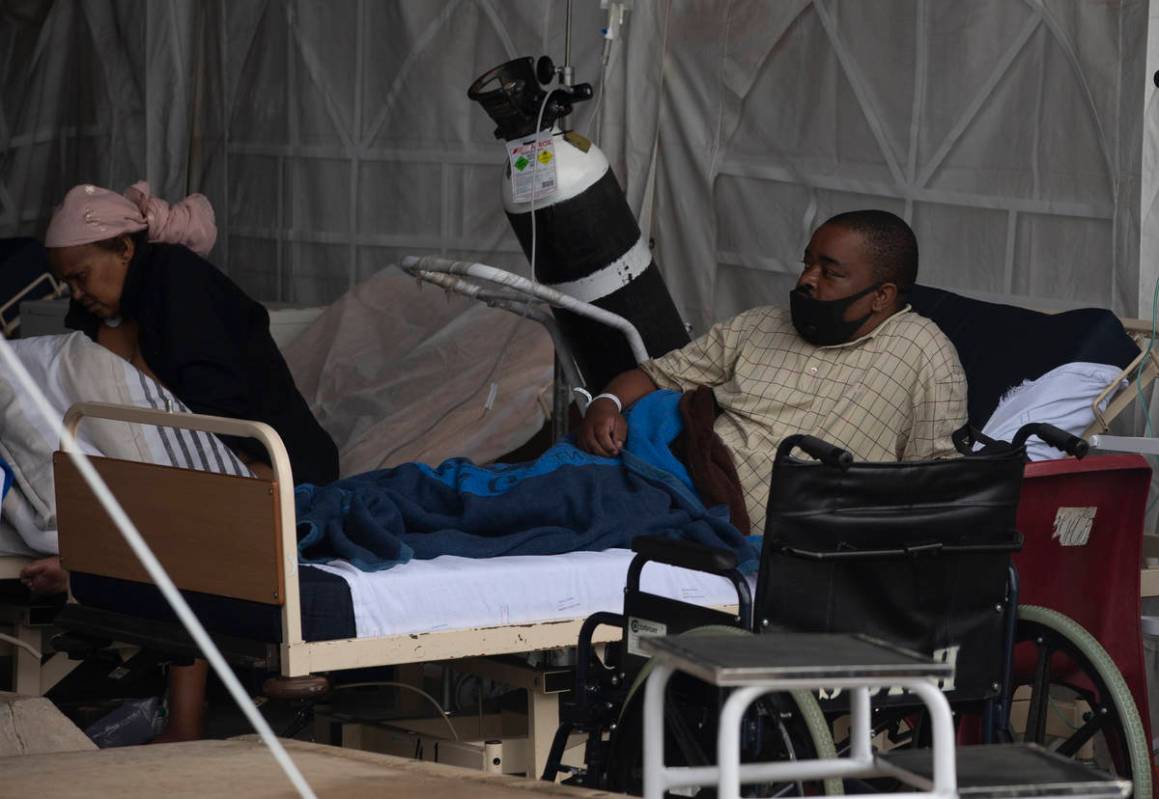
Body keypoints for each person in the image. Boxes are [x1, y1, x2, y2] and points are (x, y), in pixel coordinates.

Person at [20, 180, 340, 740]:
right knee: (168, 502)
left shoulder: (177, 283)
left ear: (124, 248)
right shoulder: (121, 306)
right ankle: (179, 709)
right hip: (211, 458)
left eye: (81, 276)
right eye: (66, 283)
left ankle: (184, 716)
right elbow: (123, 409)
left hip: (275, 461)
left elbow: (212, 409)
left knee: (189, 525)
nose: (76, 293)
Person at [577, 209, 967, 533]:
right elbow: (658, 376)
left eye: (829, 272)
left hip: (778, 537)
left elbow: (935, 480)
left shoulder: (922, 352)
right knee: (556, 498)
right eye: (807, 263)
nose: (807, 280)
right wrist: (607, 403)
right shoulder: (760, 325)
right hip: (678, 483)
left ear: (881, 296)